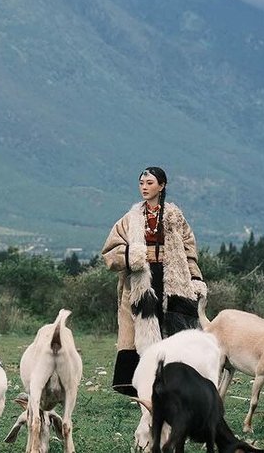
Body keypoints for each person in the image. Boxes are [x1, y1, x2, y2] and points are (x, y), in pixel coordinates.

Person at [101, 166, 208, 396]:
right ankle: (144, 382)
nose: (144, 188)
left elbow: (189, 251)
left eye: (149, 183)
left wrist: (195, 279)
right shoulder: (129, 220)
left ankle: (173, 380)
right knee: (143, 330)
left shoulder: (175, 217)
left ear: (162, 186)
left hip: (172, 281)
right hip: (141, 283)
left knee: (172, 330)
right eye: (141, 183)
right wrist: (134, 256)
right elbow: (109, 254)